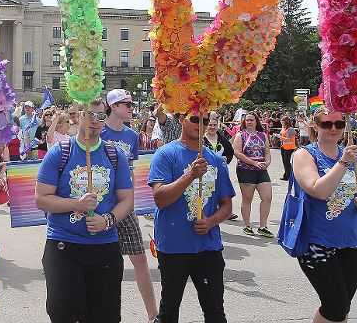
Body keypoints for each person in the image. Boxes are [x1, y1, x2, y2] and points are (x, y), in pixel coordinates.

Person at [35, 97, 134, 323]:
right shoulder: (59, 153)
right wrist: (75, 204)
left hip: (105, 247)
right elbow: (41, 199)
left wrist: (107, 220)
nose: (96, 121)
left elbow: (127, 200)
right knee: (64, 314)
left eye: (101, 116)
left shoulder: (114, 154)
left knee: (104, 316)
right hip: (64, 247)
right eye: (91, 115)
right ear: (79, 116)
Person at [148, 110, 235, 323]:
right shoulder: (166, 154)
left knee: (215, 311)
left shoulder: (215, 159)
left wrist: (211, 222)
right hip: (173, 246)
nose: (201, 124)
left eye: (205, 120)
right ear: (181, 120)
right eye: (195, 119)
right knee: (169, 310)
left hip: (208, 247)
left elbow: (226, 204)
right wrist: (190, 175)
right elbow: (160, 198)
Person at [290, 107, 357, 323]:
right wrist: (343, 162)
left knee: (341, 307)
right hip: (318, 243)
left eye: (339, 124)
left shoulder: (354, 156)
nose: (334, 129)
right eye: (327, 124)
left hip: (353, 241)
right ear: (315, 127)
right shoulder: (304, 155)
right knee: (336, 306)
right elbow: (318, 190)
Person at [102, 89, 157, 323]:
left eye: (132, 104)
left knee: (140, 259)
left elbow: (132, 169)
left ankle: (154, 315)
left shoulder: (132, 136)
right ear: (114, 106)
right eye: (127, 104)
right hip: (101, 205)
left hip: (125, 204)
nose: (132, 108)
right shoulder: (97, 131)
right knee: (105, 263)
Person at [231, 112, 274, 238]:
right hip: (245, 170)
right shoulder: (241, 135)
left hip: (261, 170)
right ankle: (247, 225)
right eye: (247, 120)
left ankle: (263, 226)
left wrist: (267, 162)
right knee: (247, 198)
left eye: (251, 120)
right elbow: (237, 153)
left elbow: (266, 151)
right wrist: (254, 163)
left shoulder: (262, 135)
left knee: (267, 197)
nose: (249, 122)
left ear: (256, 122)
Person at [280, 116, 298, 181]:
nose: (281, 122)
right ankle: (286, 175)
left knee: (287, 162)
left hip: (290, 148)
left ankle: (290, 176)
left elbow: (288, 139)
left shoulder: (290, 129)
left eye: (283, 121)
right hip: (283, 147)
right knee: (284, 162)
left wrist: (279, 136)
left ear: (286, 122)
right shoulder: (283, 129)